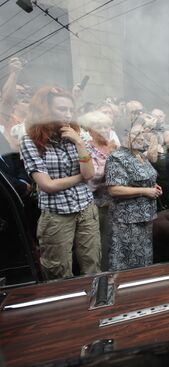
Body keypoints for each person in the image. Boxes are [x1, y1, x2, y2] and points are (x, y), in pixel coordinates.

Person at [20, 86, 101, 279]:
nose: (68, 115)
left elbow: (89, 173)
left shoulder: (74, 136)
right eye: (62, 109)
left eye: (71, 110)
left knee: (92, 264)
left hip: (85, 208)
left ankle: (95, 306)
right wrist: (80, 177)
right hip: (56, 213)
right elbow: (47, 185)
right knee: (58, 270)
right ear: (45, 111)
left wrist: (79, 143)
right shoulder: (29, 141)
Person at [105, 119, 161, 271]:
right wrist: (145, 191)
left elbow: (144, 178)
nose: (142, 137)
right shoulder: (116, 157)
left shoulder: (140, 155)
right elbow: (114, 189)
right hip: (127, 220)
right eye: (137, 134)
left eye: (143, 133)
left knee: (143, 259)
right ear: (124, 136)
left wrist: (153, 186)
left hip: (145, 217)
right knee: (127, 261)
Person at [78, 111, 117, 271]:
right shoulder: (87, 148)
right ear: (90, 130)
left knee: (113, 241)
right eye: (99, 126)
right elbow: (93, 176)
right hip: (96, 204)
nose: (104, 129)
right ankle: (102, 277)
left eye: (106, 126)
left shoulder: (113, 145)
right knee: (98, 242)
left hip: (115, 202)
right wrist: (113, 158)